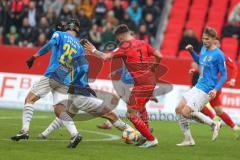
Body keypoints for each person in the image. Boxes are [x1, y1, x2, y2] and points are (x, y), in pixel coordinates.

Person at [84, 24, 163, 148]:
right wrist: (154, 67)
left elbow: (105, 57)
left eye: (118, 38)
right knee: (141, 108)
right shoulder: (143, 42)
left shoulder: (124, 46)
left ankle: (151, 139)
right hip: (151, 80)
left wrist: (93, 50)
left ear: (121, 36)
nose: (119, 40)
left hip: (142, 84)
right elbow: (159, 56)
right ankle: (145, 135)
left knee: (130, 113)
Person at [11, 19, 83, 148]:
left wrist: (34, 57)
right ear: (77, 30)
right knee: (59, 110)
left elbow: (49, 45)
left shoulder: (59, 34)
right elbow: (80, 68)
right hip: (65, 79)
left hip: (53, 74)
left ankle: (24, 131)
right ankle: (75, 133)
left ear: (67, 26)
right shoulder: (79, 47)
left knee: (29, 99)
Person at [175, 27, 227, 147]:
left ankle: (214, 123)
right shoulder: (203, 49)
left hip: (207, 89)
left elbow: (224, 75)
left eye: (207, 39)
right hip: (198, 85)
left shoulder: (219, 54)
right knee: (178, 109)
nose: (205, 41)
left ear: (214, 39)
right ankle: (188, 139)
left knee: (186, 111)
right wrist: (192, 52)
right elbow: (199, 60)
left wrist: (215, 89)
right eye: (203, 38)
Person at [200, 38, 240, 138]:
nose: (215, 45)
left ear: (219, 45)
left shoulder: (221, 56)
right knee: (219, 111)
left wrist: (233, 79)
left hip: (211, 87)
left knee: (197, 106)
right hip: (215, 87)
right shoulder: (207, 54)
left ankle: (215, 121)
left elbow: (234, 67)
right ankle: (235, 128)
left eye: (217, 43)